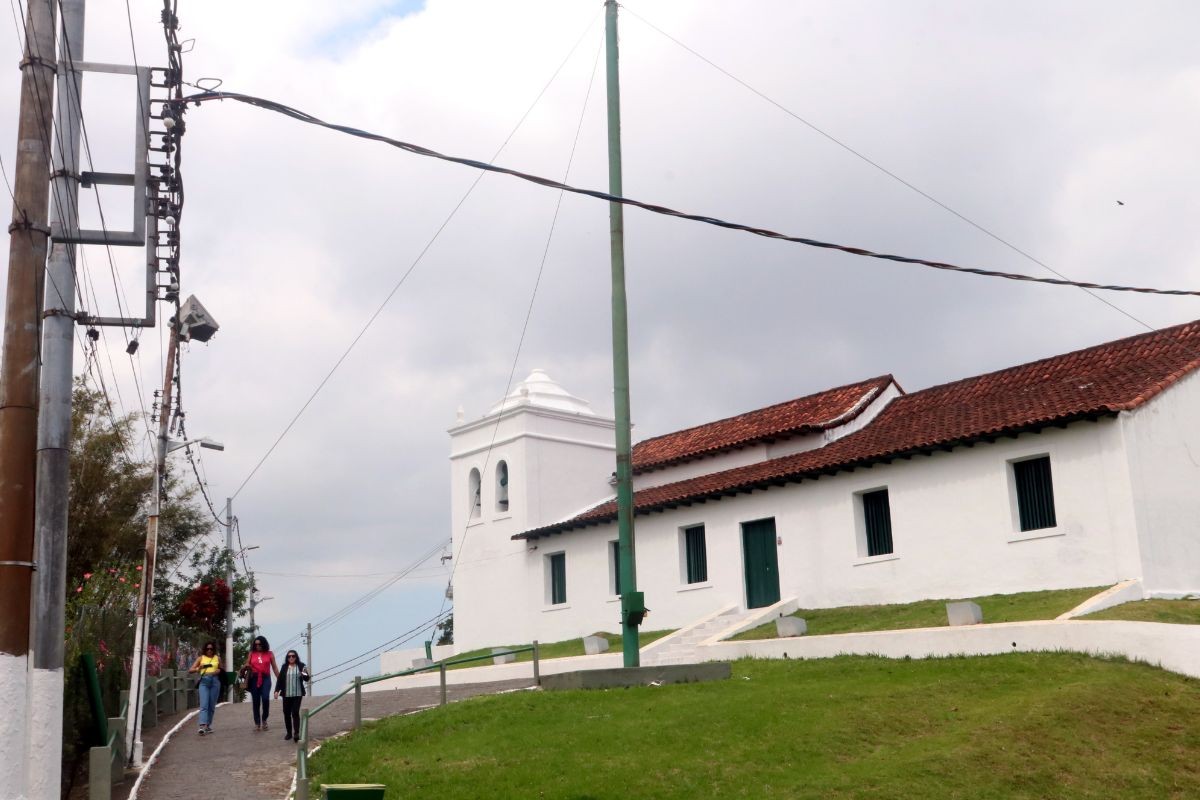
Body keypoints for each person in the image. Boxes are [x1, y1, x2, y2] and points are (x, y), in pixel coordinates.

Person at [241, 635, 279, 731]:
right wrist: (246, 666)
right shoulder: (252, 653)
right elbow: (247, 663)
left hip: (266, 678)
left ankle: (264, 719)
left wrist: (280, 679)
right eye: (256, 644)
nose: (257, 646)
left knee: (265, 698)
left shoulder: (270, 654)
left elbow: (274, 668)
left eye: (259, 644)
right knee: (256, 701)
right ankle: (257, 723)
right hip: (254, 678)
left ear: (264, 644)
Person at [273, 649, 310, 741]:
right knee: (286, 713)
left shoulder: (301, 666)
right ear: (287, 658)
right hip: (286, 694)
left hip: (297, 694)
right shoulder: (284, 667)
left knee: (295, 712)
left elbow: (307, 678)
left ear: (296, 657)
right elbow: (280, 680)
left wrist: (303, 674)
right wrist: (277, 691)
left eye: (293, 656)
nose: (291, 658)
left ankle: (296, 733)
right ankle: (289, 733)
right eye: (289, 656)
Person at [188, 641, 222, 735]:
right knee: (204, 704)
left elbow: (222, 670)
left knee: (211, 705)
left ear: (214, 649)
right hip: (204, 681)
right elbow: (190, 670)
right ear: (205, 649)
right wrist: (198, 668)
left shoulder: (217, 658)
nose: (209, 650)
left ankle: (208, 726)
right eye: (207, 649)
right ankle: (202, 726)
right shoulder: (201, 658)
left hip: (215, 681)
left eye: (211, 649)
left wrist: (218, 671)